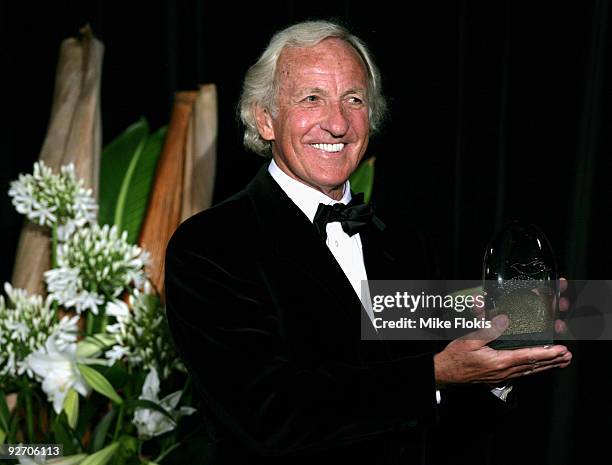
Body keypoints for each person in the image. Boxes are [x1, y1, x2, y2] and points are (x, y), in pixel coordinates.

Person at [164, 20, 572, 465]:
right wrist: (435, 374)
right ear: (266, 119)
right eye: (311, 98)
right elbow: (267, 417)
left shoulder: (403, 243)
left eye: (353, 100)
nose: (337, 123)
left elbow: (440, 431)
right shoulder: (212, 246)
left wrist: (498, 364)